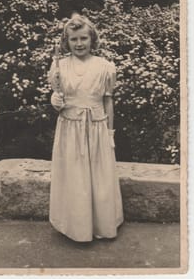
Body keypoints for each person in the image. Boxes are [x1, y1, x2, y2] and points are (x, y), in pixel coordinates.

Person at [48, 14, 124, 242]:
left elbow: (108, 100)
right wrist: (55, 100)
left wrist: (110, 132)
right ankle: (75, 227)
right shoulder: (59, 66)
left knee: (99, 178)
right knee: (74, 178)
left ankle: (102, 225)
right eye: (74, 39)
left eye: (83, 38)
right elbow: (58, 96)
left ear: (92, 39)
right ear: (67, 41)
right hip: (70, 128)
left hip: (97, 128)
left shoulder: (105, 67)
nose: (79, 44)